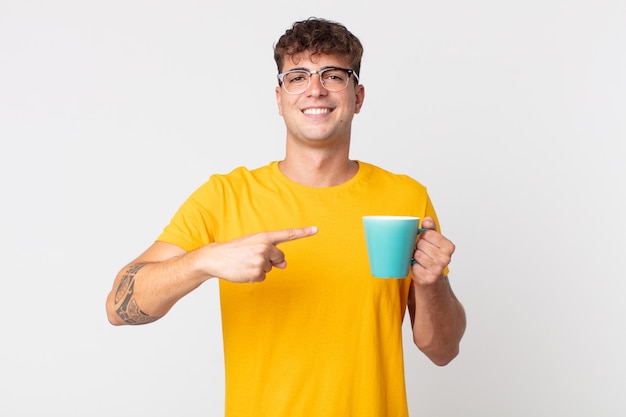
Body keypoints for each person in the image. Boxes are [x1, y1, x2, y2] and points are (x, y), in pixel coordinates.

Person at [106, 17, 466, 417]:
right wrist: (204, 260)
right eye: (297, 76)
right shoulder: (226, 196)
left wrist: (432, 285)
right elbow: (119, 306)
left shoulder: (406, 198)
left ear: (358, 96)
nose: (315, 89)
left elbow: (443, 350)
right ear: (279, 98)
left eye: (333, 75)